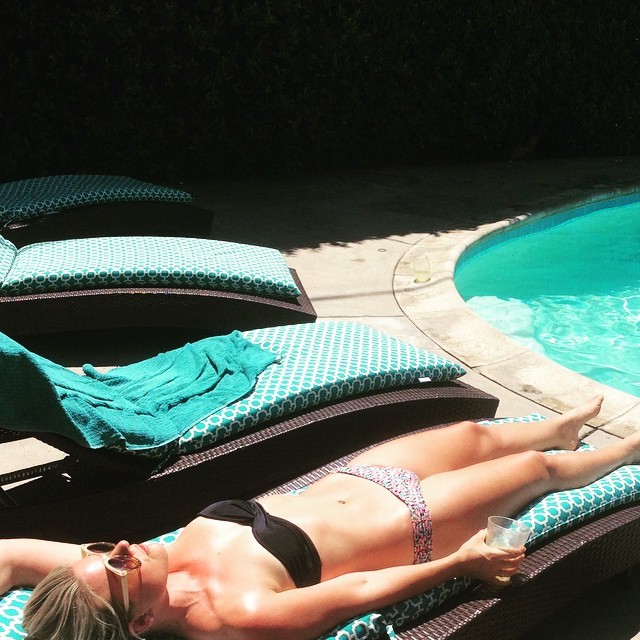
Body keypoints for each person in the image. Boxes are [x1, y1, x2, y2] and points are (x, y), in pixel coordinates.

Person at [2, 395, 639, 640]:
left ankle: (561, 427)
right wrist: (461, 563)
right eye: (117, 563)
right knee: (537, 470)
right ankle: (624, 452)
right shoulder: (237, 614)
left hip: (354, 480)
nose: (121, 547)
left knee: (478, 433)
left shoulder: (106, 581)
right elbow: (356, 592)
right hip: (416, 522)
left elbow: (6, 556)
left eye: (100, 548)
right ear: (141, 621)